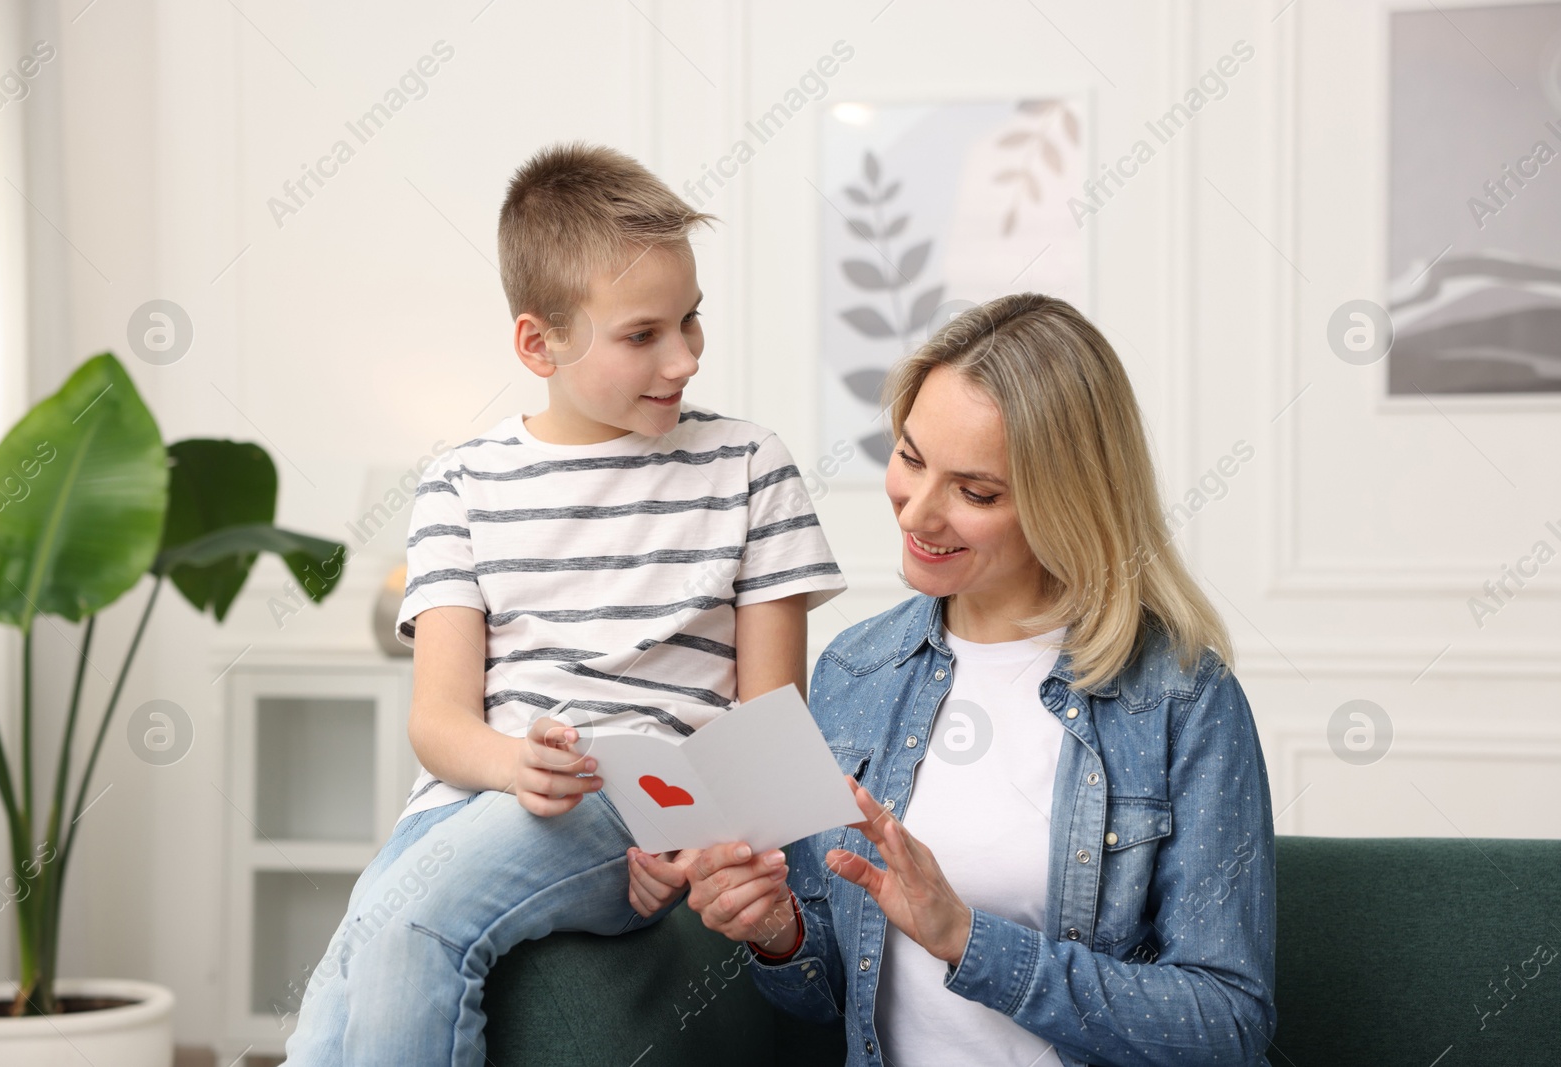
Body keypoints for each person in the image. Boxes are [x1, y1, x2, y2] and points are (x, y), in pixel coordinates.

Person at [281, 142, 847, 1066]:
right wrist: (513, 765)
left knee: (414, 925)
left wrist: (695, 829)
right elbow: (439, 721)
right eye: (642, 336)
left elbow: (770, 723)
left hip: (634, 797)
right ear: (538, 341)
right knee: (323, 1028)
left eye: (691, 321)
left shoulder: (749, 464)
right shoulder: (460, 482)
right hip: (473, 799)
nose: (684, 358)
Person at [667, 294, 1278, 1065]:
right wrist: (777, 932)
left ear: (1068, 504)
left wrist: (967, 940)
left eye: (975, 491)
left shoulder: (1182, 697)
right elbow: (829, 996)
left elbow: (1227, 1023)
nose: (916, 512)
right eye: (910, 457)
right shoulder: (857, 669)